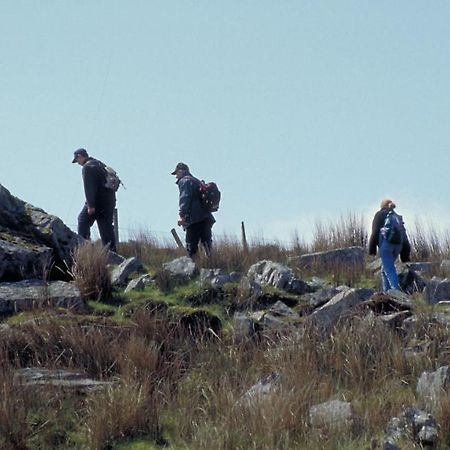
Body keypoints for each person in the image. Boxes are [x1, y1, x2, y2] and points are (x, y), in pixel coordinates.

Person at [72, 148, 117, 252]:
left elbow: (89, 187)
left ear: (80, 156)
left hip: (97, 202)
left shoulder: (87, 167)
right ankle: (112, 254)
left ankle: (84, 249)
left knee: (82, 220)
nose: (78, 163)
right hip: (109, 201)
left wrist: (90, 205)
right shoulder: (99, 163)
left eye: (77, 160)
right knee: (106, 228)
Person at [171, 162, 215, 258]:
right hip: (206, 217)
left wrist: (182, 216)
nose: (176, 176)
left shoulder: (185, 181)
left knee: (191, 247)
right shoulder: (196, 181)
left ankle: (193, 270)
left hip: (194, 219)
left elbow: (185, 198)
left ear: (181, 171)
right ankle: (211, 266)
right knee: (207, 245)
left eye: (176, 173)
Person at [368, 199, 411, 292]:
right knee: (385, 269)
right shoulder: (397, 217)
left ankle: (396, 291)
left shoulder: (380, 215)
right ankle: (387, 291)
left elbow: (375, 232)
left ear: (382, 206)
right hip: (398, 246)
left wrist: (372, 250)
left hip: (386, 245)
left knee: (389, 269)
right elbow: (404, 235)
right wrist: (405, 256)